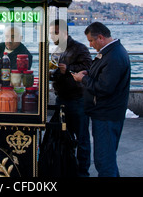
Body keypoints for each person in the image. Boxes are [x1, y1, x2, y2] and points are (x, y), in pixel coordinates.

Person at [72, 22, 130, 177]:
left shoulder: (113, 57)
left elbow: (104, 87)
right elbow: (103, 77)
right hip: (106, 113)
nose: (90, 45)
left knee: (104, 162)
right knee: (107, 159)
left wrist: (82, 80)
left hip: (106, 115)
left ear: (101, 37)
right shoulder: (111, 52)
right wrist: (88, 74)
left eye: (91, 41)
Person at [49, 19, 92, 177]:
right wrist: (51, 74)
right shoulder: (58, 50)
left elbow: (88, 68)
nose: (52, 36)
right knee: (63, 136)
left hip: (77, 99)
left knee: (82, 138)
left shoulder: (80, 48)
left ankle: (82, 172)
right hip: (62, 98)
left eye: (54, 33)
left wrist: (68, 69)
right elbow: (58, 73)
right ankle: (67, 166)